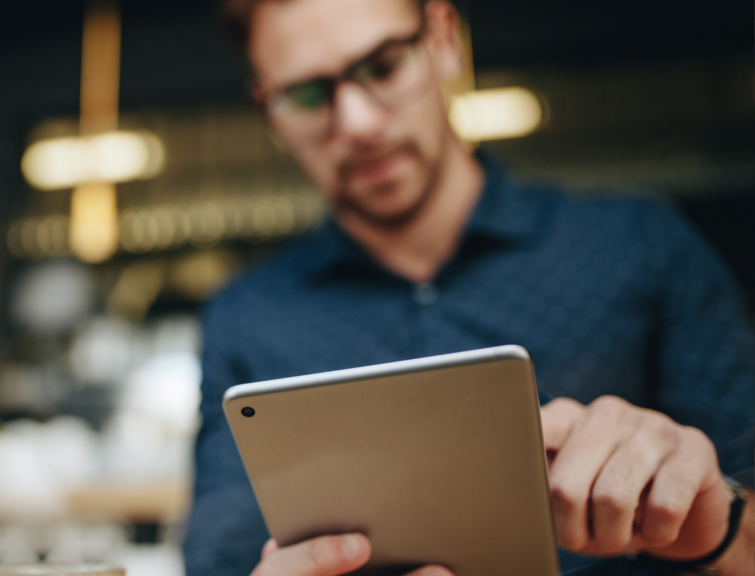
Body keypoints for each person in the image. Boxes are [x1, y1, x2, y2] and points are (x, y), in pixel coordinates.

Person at [182, 0, 755, 574]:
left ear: (444, 40)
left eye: (382, 67)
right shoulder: (247, 316)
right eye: (307, 96)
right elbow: (219, 562)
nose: (358, 124)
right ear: (268, 110)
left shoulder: (642, 243)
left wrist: (716, 527)